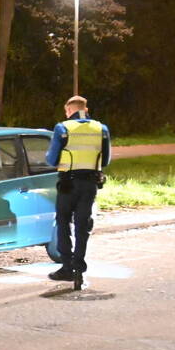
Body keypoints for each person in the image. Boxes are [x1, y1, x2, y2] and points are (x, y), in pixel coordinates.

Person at [45, 95, 111, 287]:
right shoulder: (101, 129)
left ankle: (67, 267)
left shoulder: (63, 128)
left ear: (69, 110)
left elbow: (51, 159)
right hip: (89, 184)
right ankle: (79, 268)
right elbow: (106, 160)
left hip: (68, 184)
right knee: (82, 225)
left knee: (63, 223)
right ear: (85, 109)